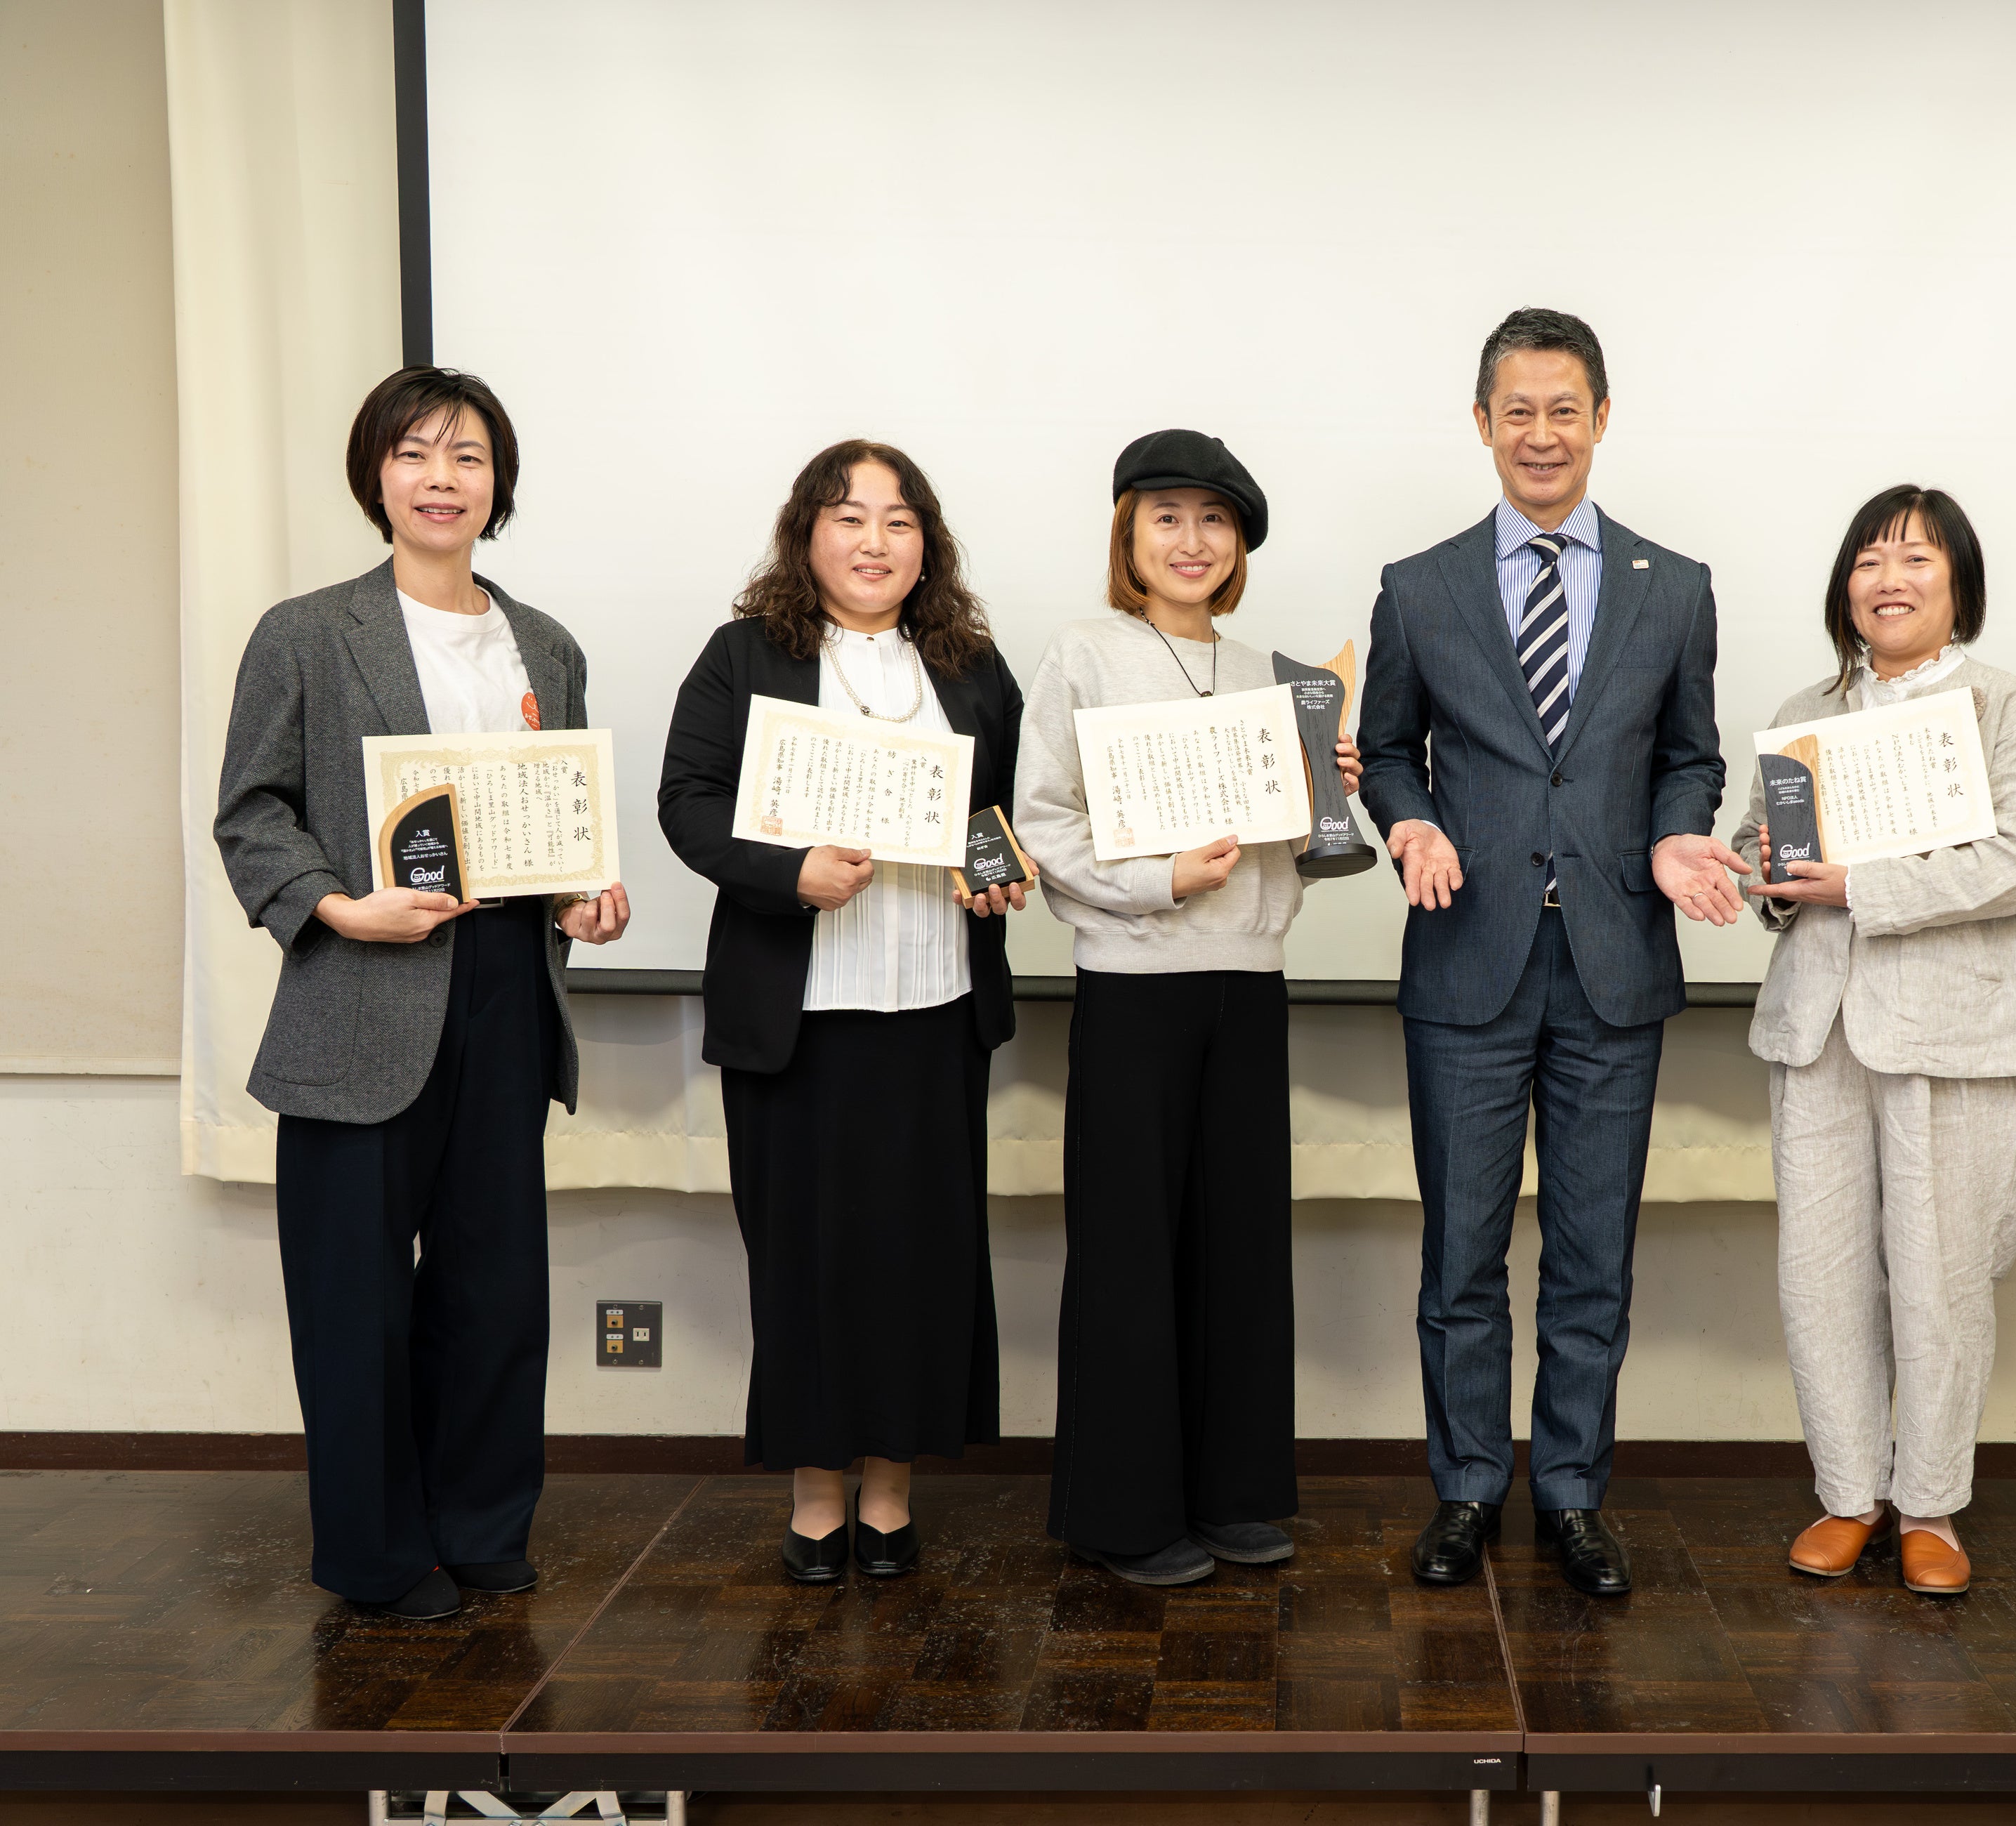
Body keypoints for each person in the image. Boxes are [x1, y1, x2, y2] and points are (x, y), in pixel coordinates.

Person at [213, 367, 631, 1620]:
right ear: (377, 477)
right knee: (353, 1301)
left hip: (507, 988)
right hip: (361, 983)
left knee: (493, 1289)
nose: (441, 479)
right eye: (414, 454)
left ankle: (483, 1527)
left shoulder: (547, 645)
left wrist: (585, 898)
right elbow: (253, 813)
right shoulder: (305, 632)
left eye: (467, 457)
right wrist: (338, 906)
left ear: (498, 485)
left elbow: (559, 826)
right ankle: (379, 1557)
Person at [1357, 308, 1743, 1598]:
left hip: (1614, 963)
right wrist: (1409, 819)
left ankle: (1574, 1493)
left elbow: (1689, 755)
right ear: (1482, 423)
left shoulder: (1673, 586)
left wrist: (1678, 834)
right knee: (1462, 1254)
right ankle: (1468, 1485)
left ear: (1601, 419)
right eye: (1516, 410)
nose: (1541, 433)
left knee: (1593, 1257)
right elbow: (1390, 749)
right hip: (1467, 959)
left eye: (1563, 409)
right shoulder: (1420, 586)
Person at [659, 440, 1029, 1584]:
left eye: (899, 521)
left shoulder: (970, 665)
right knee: (806, 1263)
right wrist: (789, 872)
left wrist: (997, 874)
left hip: (934, 1007)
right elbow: (687, 802)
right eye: (850, 517)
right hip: (799, 1020)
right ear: (806, 534)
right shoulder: (745, 657)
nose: (875, 541)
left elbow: (1002, 813)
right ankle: (817, 1495)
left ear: (928, 546)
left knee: (920, 1260)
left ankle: (892, 1491)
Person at [1013, 429, 1361, 1587]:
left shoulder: (1274, 674)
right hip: (1132, 984)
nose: (1191, 540)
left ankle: (1232, 1495)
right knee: (1130, 1254)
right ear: (1129, 534)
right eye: (1166, 517)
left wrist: (1323, 797)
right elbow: (1044, 821)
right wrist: (1159, 878)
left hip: (1249, 982)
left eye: (1214, 520)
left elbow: (1293, 852)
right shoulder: (1083, 653)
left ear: (1239, 545)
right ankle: (1121, 1515)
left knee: (1240, 1247)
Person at [1732, 485, 2016, 1597]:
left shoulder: (2008, 707)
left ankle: (1929, 1504)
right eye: (1869, 560)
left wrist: (1856, 885)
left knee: (1942, 1278)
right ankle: (1847, 1494)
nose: (1889, 579)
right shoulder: (1806, 709)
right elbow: (1763, 846)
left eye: (1917, 559)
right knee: (1819, 1273)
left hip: (1957, 1030)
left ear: (1959, 583)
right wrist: (1765, 873)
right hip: (1817, 1026)